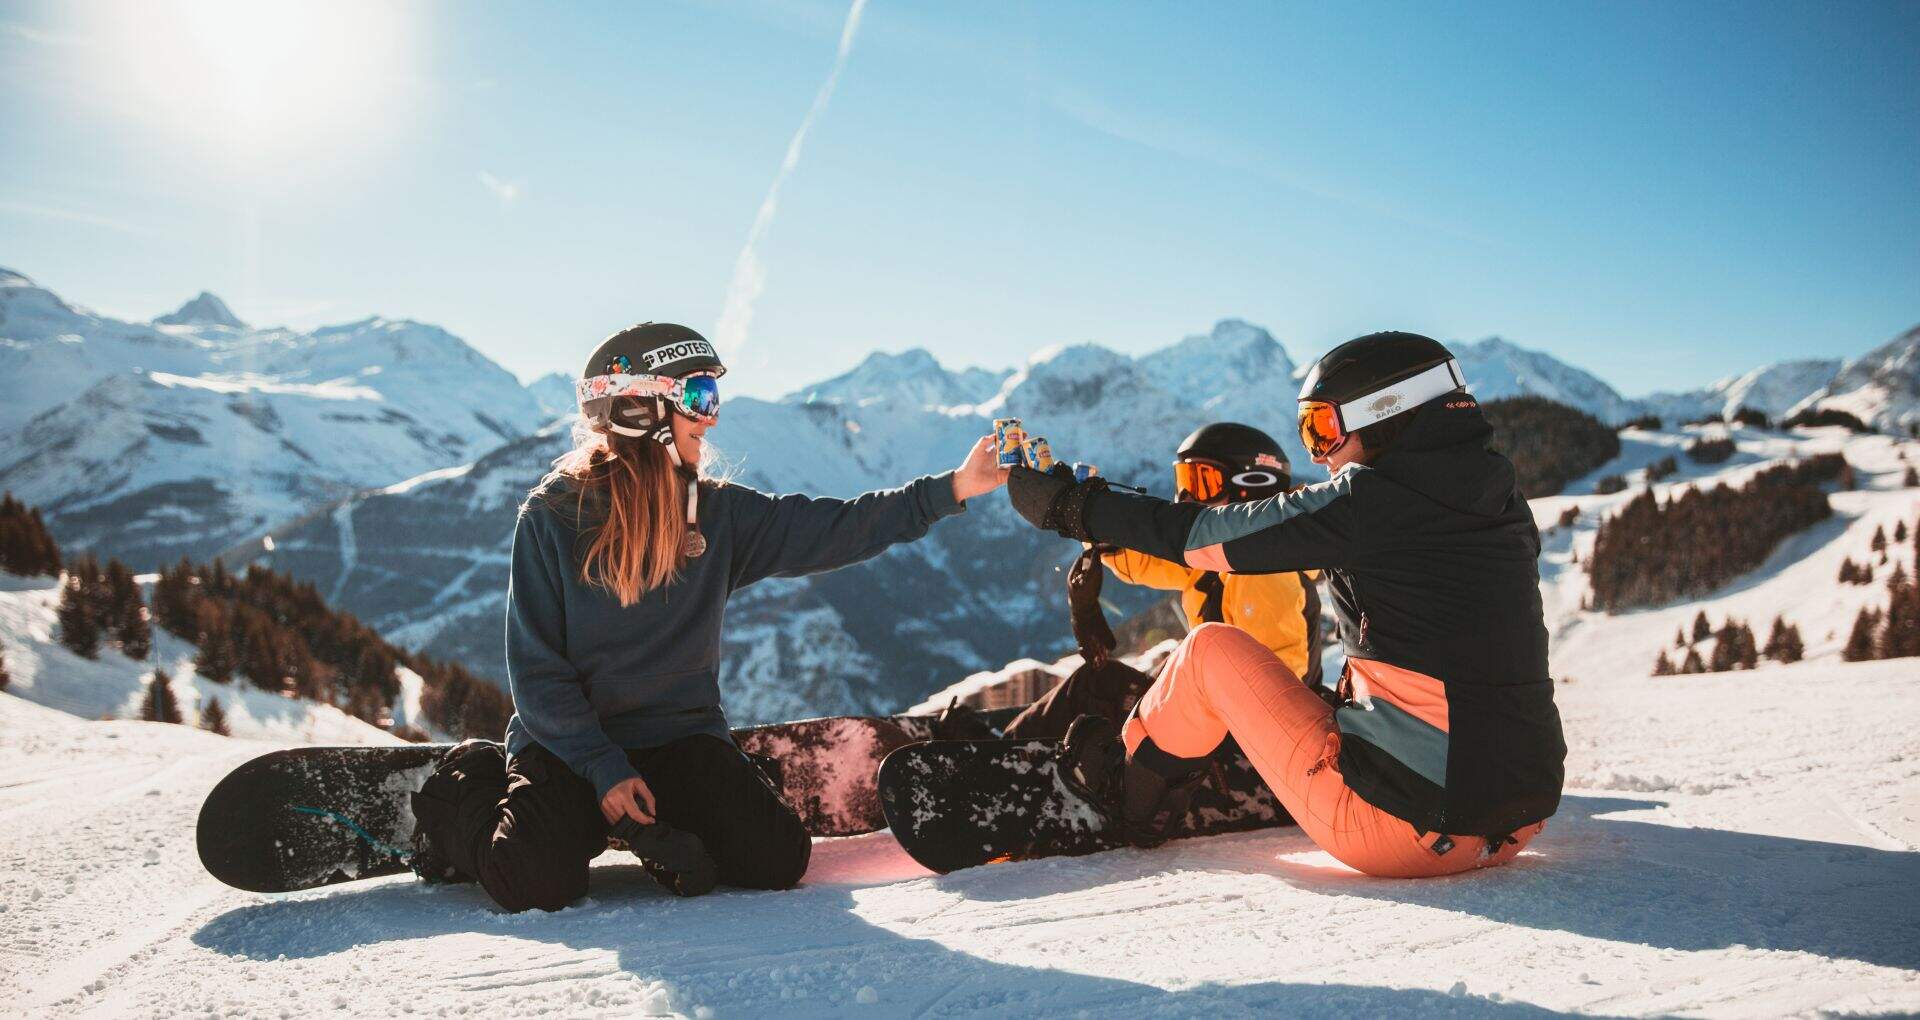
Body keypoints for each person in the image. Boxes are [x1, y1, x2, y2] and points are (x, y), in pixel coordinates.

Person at [410, 322, 1008, 911]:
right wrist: (602, 768)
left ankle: (674, 809)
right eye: (698, 397)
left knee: (776, 860)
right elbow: (537, 674)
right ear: (640, 410)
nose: (711, 417)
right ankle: (465, 784)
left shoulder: (716, 514)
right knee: (533, 883)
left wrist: (955, 487)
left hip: (678, 740)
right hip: (570, 745)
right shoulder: (553, 518)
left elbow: (837, 528)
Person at [1007, 331, 1565, 878]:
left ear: (1385, 413)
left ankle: (1124, 800)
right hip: (1517, 821)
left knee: (1208, 650)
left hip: (1403, 828)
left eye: (1323, 429)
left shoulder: (1371, 501)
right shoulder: (1503, 504)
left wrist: (1074, 508)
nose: (1320, 457)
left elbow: (1202, 535)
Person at [998, 423, 1324, 740]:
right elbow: (1151, 561)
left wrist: (1181, 703)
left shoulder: (1264, 573)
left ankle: (1006, 756)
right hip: (1220, 716)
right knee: (1102, 686)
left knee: (1097, 687)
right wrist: (1100, 531)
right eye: (1183, 480)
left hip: (1248, 740)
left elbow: (1277, 686)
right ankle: (1011, 751)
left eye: (1202, 482)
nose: (1186, 498)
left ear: (1251, 487)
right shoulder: (1222, 558)